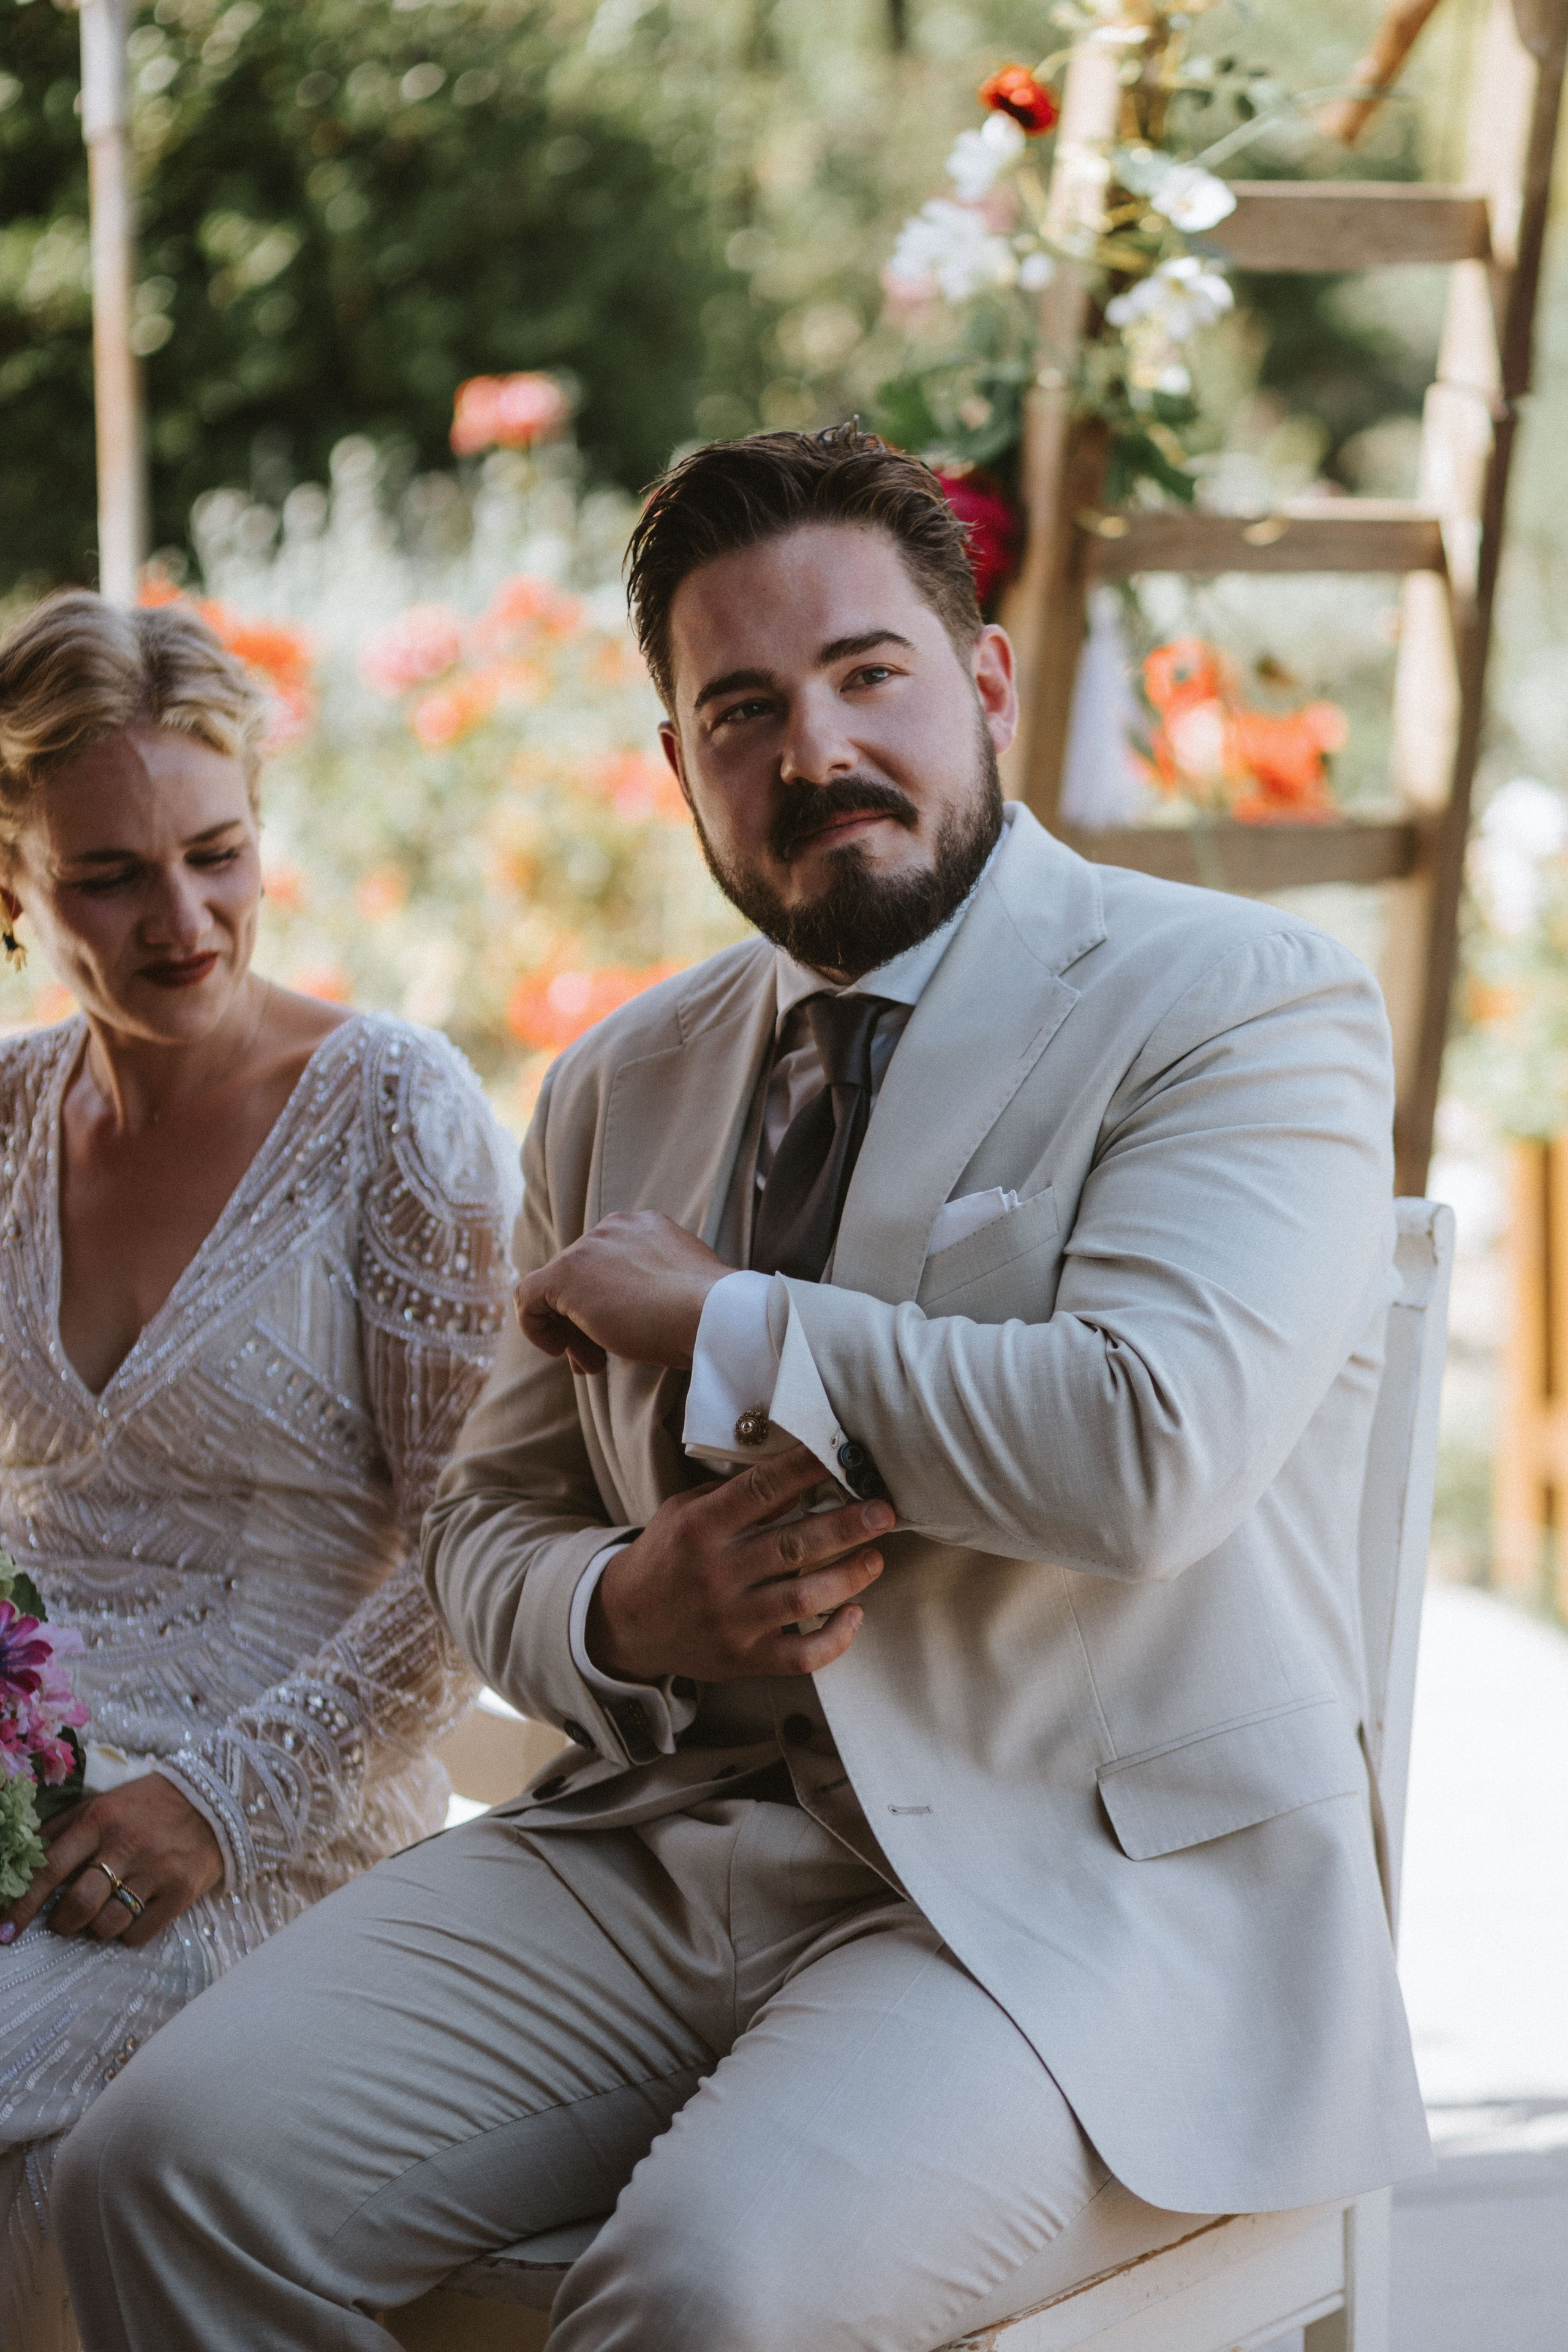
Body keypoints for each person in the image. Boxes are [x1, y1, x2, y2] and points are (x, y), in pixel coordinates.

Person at [55, 428, 1430, 2352]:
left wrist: (728, 1323)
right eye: (742, 710)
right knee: (160, 2175)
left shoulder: (1233, 998)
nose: (814, 752)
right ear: (683, 760)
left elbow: (1148, 1446)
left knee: (702, 2298)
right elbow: (480, 1520)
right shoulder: (623, 1080)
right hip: (655, 1850)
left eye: (868, 675)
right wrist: (626, 1605)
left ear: (983, 681)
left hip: (1058, 1909)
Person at [0, 592, 517, 2350]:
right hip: (30, 1790)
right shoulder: (4, 1118)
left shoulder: (393, 1112)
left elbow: (482, 1552)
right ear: (13, 879)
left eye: (216, 854)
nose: (183, 921)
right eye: (108, 878)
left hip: (276, 1826)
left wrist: (216, 1804)